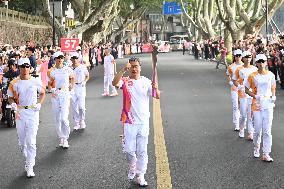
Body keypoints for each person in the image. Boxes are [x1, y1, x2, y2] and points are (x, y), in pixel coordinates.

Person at [112, 57, 161, 187]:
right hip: (129, 121)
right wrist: (122, 70)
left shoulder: (146, 81)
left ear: (140, 67)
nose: (134, 69)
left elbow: (156, 96)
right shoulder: (125, 81)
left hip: (144, 122)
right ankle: (133, 164)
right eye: (132, 66)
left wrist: (156, 88)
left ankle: (140, 175)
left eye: (136, 66)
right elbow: (114, 83)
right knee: (128, 150)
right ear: (129, 68)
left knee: (142, 151)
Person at [8, 57, 45, 178]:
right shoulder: (14, 83)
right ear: (19, 68)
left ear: (30, 68)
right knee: (23, 143)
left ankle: (30, 166)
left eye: (27, 66)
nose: (25, 69)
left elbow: (43, 92)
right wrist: (13, 104)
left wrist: (39, 103)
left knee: (31, 142)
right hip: (20, 113)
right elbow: (10, 96)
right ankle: (27, 159)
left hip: (33, 112)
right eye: (22, 66)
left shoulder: (36, 80)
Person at [245, 54, 276, 162]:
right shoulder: (252, 76)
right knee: (257, 130)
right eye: (259, 61)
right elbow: (246, 89)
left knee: (267, 131)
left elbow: (273, 87)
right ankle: (256, 147)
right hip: (257, 105)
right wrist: (255, 96)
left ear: (266, 62)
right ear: (256, 63)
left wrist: (273, 96)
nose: (261, 63)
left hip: (268, 105)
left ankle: (266, 153)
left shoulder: (271, 75)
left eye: (263, 61)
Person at [48, 51, 75, 149]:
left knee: (64, 118)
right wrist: (52, 89)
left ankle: (66, 138)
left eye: (61, 58)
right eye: (58, 58)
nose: (60, 60)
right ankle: (61, 137)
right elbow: (49, 84)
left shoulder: (68, 69)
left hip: (65, 94)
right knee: (57, 118)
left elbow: (72, 78)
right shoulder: (52, 71)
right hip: (56, 95)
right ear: (55, 59)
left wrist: (72, 87)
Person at [232, 51, 257, 139]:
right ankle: (242, 128)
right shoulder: (239, 69)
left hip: (251, 94)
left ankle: (250, 132)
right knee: (243, 114)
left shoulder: (254, 69)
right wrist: (238, 86)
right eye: (246, 57)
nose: (248, 58)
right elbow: (234, 80)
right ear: (243, 58)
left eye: (249, 56)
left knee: (250, 114)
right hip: (242, 94)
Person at [70, 52, 89, 130]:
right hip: (73, 87)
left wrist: (84, 81)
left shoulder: (82, 67)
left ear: (78, 59)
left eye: (76, 58)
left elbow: (87, 76)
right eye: (73, 58)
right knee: (74, 106)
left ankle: (82, 121)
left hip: (81, 86)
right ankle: (77, 122)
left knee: (81, 106)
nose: (75, 60)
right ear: (71, 59)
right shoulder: (69, 68)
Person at [226, 49, 243, 131]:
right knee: (236, 106)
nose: (238, 57)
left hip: (243, 89)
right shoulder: (231, 66)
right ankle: (237, 124)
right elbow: (228, 75)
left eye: (240, 55)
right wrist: (230, 82)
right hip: (234, 88)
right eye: (237, 55)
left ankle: (242, 123)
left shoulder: (245, 66)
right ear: (234, 57)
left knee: (242, 107)